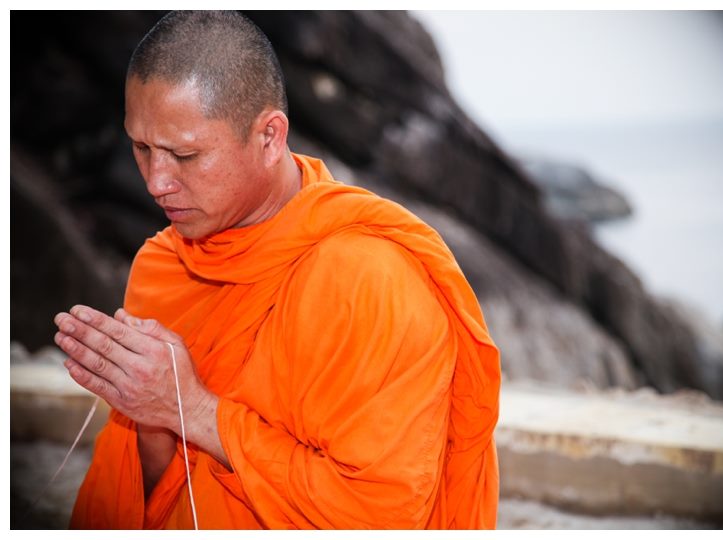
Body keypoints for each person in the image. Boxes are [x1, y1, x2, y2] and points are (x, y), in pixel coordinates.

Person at [53, 10, 500, 530]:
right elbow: (143, 493)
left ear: (269, 136)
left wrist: (193, 411)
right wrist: (149, 414)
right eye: (141, 147)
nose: (156, 182)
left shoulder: (371, 282)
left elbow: (381, 515)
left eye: (185, 154)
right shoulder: (163, 263)